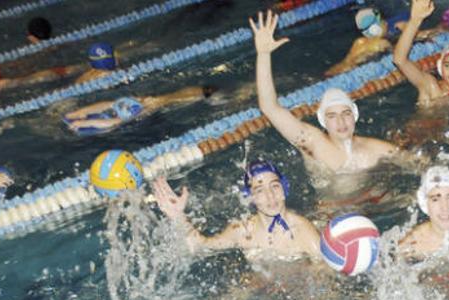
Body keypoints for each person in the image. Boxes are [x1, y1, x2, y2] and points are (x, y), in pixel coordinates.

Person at [251, 10, 398, 179]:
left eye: (346, 113)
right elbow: (270, 108)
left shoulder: (375, 149)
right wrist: (263, 54)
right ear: (323, 121)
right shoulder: (313, 143)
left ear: (355, 115)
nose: (341, 122)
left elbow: (417, 163)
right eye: (332, 116)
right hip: (332, 206)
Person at [150, 161, 323, 263]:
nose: (270, 196)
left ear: (284, 190)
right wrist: (179, 217)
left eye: (275, 187)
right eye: (260, 190)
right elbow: (201, 247)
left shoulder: (304, 231)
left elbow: (324, 275)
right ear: (251, 197)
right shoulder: (242, 231)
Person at [322, 1, 449, 77]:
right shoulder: (383, 42)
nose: (385, 21)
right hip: (355, 69)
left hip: (334, 71)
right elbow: (416, 38)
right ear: (377, 24)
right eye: (381, 20)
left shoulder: (359, 42)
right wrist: (439, 29)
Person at [392, 0, 449, 107]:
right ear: (441, 68)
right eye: (447, 65)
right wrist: (415, 21)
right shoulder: (431, 86)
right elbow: (399, 60)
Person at [62, 85, 219, 135]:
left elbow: (114, 121)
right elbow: (110, 104)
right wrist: (78, 114)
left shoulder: (143, 108)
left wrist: (84, 122)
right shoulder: (140, 103)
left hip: (202, 95)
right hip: (198, 91)